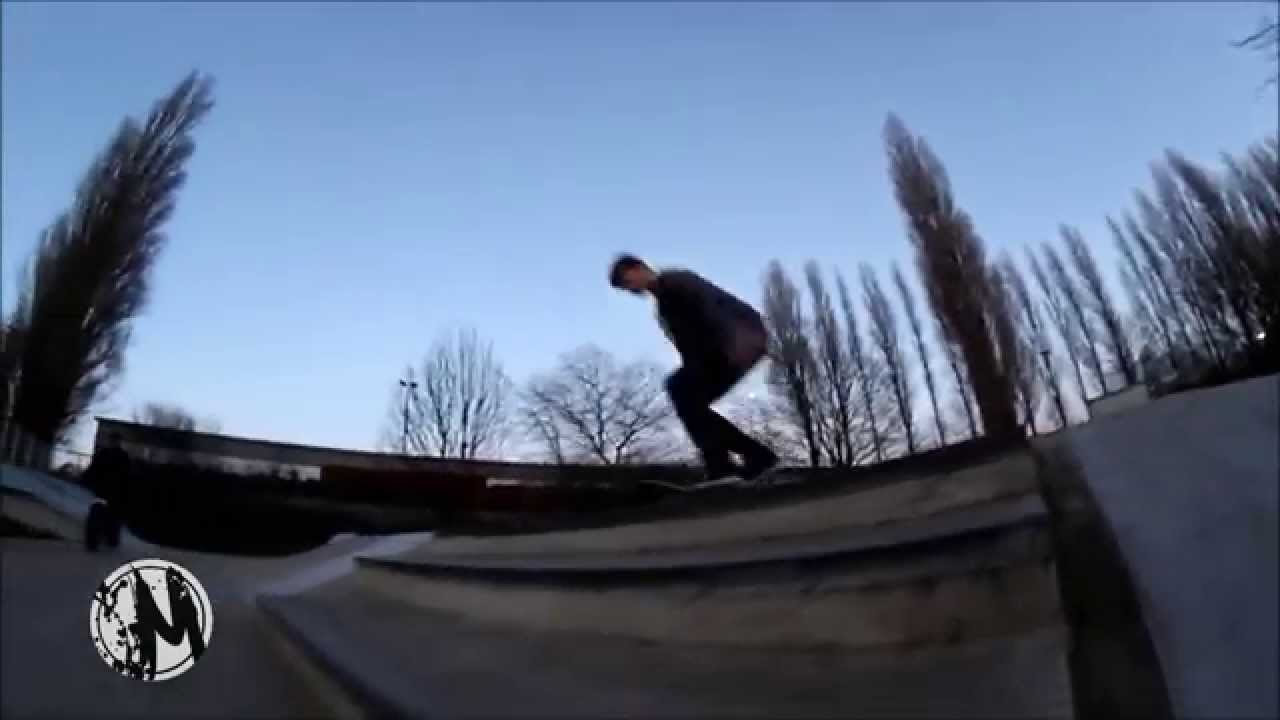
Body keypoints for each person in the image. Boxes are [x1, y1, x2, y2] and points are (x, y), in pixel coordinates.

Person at [609, 253, 779, 485]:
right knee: (690, 403)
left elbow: (710, 310)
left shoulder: (675, 283)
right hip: (731, 347)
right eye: (625, 288)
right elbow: (687, 339)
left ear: (639, 268)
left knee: (681, 391)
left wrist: (730, 348)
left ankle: (728, 464)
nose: (631, 289)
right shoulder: (665, 299)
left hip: (733, 345)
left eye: (628, 282)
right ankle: (751, 459)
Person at [83, 433, 130, 551]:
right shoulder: (119, 455)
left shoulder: (111, 454)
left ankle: (98, 540)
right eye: (113, 441)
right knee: (106, 516)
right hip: (111, 493)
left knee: (104, 516)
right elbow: (93, 469)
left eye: (114, 441)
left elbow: (93, 469)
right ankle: (101, 540)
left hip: (108, 492)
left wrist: (86, 479)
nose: (113, 443)